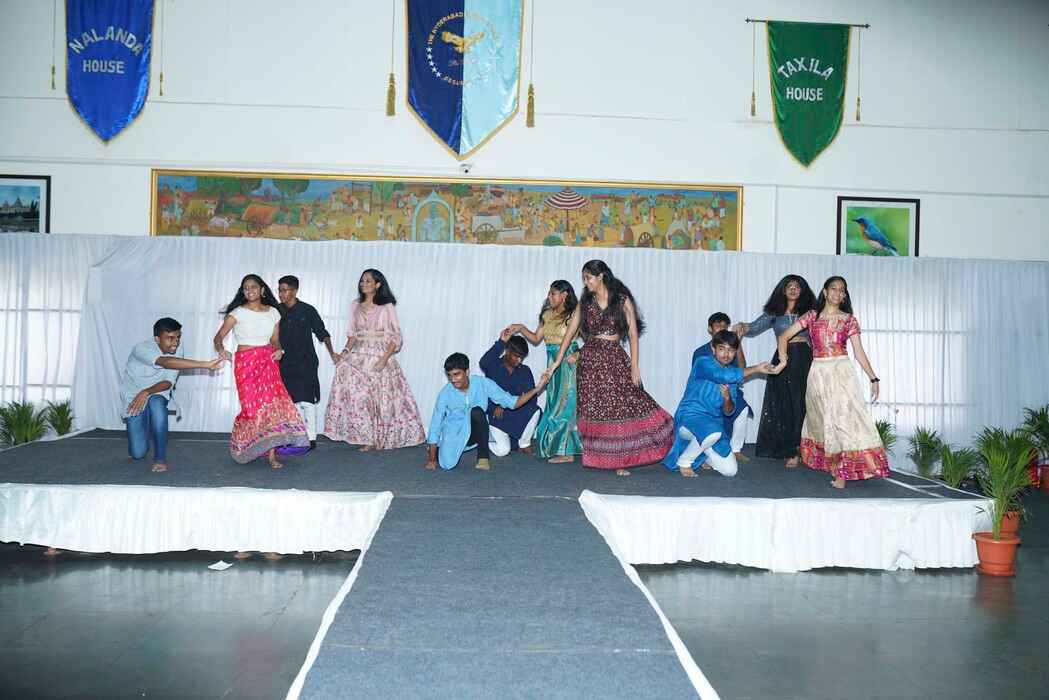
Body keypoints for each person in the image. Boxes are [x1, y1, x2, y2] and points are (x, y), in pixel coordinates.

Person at [544, 260, 674, 475]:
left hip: (614, 359)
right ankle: (606, 458)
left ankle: (621, 459)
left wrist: (635, 366)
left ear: (601, 276)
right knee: (596, 409)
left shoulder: (621, 300)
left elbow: (633, 334)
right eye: (584, 279)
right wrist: (556, 363)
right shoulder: (586, 302)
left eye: (589, 278)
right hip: (590, 362)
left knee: (620, 408)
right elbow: (570, 333)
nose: (586, 283)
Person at [776, 276, 888, 489]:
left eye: (842, 290)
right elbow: (783, 337)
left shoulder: (849, 320)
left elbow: (859, 352)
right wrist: (783, 360)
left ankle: (841, 473)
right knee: (824, 420)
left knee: (842, 419)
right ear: (825, 292)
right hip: (818, 373)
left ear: (844, 295)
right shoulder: (812, 316)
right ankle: (837, 466)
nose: (838, 293)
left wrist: (873, 378)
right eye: (834, 288)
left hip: (841, 372)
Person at [213, 274, 309, 469]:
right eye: (246, 288)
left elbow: (275, 339)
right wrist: (221, 350)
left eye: (253, 287)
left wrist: (279, 350)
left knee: (271, 407)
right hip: (246, 364)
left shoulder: (273, 312)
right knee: (251, 409)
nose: (249, 291)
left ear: (262, 290)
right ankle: (245, 444)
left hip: (267, 361)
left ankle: (272, 455)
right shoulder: (237, 313)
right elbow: (218, 337)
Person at [324, 269, 426, 450]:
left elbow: (396, 336)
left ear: (378, 284)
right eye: (362, 280)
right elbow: (352, 335)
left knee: (379, 398)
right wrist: (344, 353)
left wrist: (384, 359)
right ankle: (366, 436)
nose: (363, 284)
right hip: (358, 356)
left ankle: (377, 438)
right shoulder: (355, 305)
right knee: (358, 397)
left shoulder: (386, 306)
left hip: (379, 355)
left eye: (368, 281)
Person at [664, 330, 780, 477]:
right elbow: (721, 375)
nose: (726, 354)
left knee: (730, 470)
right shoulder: (703, 362)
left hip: (712, 424)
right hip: (689, 418)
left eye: (731, 350)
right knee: (712, 433)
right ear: (713, 349)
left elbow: (728, 411)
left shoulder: (733, 375)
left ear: (735, 352)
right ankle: (685, 461)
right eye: (721, 349)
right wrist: (756, 368)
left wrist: (727, 398)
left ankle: (702, 453)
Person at [120, 317, 224, 473]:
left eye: (178, 337)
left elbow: (168, 382)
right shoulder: (141, 349)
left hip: (156, 392)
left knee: (157, 404)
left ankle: (160, 458)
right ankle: (144, 426)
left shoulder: (177, 349)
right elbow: (165, 362)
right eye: (170, 338)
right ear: (157, 339)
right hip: (134, 396)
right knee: (138, 453)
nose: (175, 342)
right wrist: (205, 364)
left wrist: (147, 392)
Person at [733, 274, 817, 467]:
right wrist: (742, 326)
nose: (793, 289)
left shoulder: (810, 313)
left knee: (802, 404)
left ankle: (802, 449)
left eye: (797, 286)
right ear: (783, 290)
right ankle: (789, 449)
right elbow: (754, 327)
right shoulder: (774, 313)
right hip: (783, 360)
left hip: (804, 359)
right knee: (784, 404)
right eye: (789, 286)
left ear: (803, 291)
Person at [425, 353, 548, 471]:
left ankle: (483, 458)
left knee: (477, 411)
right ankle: (441, 448)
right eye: (449, 375)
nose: (453, 379)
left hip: (477, 431)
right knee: (446, 464)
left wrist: (537, 388)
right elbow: (436, 424)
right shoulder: (445, 393)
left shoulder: (482, 383)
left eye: (457, 374)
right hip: (454, 434)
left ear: (467, 372)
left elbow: (512, 402)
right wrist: (431, 459)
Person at [508, 280, 582, 463]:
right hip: (552, 364)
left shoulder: (575, 314)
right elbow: (535, 338)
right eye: (549, 293)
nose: (549, 297)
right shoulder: (547, 314)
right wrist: (521, 328)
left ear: (564, 295)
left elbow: (593, 338)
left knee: (566, 404)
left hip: (568, 363)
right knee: (553, 403)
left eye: (553, 293)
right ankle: (559, 447)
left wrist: (579, 353)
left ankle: (567, 452)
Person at [277, 275, 337, 451]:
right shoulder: (276, 311)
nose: (281, 294)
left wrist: (332, 353)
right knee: (290, 401)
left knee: (307, 400)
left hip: (306, 361)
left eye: (285, 290)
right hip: (284, 362)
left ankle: (311, 438)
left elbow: (322, 333)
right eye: (280, 290)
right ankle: (294, 435)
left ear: (295, 290)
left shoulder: (308, 310)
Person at [693, 312, 752, 462]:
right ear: (710, 329)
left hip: (729, 391)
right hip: (707, 394)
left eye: (725, 326)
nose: (722, 328)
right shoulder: (700, 352)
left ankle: (736, 449)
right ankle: (705, 453)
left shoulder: (731, 350)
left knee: (742, 408)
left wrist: (738, 343)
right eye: (718, 325)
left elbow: (742, 369)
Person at [479, 330, 541, 456]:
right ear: (507, 351)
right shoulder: (493, 365)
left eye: (522, 357)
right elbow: (483, 362)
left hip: (514, 412)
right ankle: (481, 440)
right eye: (516, 356)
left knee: (535, 410)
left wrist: (506, 405)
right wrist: (501, 342)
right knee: (503, 450)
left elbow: (531, 398)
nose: (519, 360)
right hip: (495, 415)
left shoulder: (525, 370)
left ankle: (524, 444)